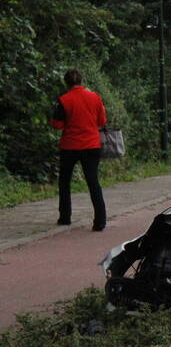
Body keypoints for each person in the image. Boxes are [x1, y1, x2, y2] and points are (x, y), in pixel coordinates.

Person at [49, 69, 107, 231]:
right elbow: (102, 121)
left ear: (66, 83)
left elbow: (57, 125)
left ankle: (65, 217)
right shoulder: (95, 97)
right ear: (81, 81)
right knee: (93, 181)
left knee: (65, 181)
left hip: (70, 146)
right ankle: (100, 221)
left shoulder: (63, 100)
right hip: (91, 145)